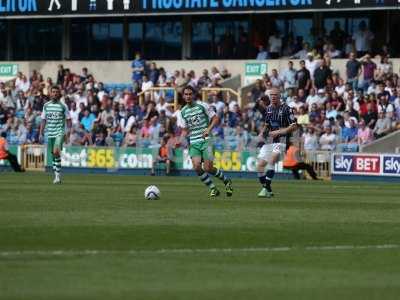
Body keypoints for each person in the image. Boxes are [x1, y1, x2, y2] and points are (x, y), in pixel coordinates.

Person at [178, 85, 233, 197]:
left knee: (208, 168)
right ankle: (213, 188)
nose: (188, 96)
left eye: (190, 94)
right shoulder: (183, 112)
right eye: (186, 94)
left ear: (193, 95)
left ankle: (226, 181)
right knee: (197, 167)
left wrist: (208, 129)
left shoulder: (202, 105)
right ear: (183, 96)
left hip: (206, 140)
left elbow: (215, 118)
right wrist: (180, 139)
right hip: (194, 142)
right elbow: (184, 130)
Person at [257, 88, 297, 198]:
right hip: (269, 140)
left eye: (275, 95)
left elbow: (294, 126)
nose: (273, 96)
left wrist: (279, 132)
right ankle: (268, 189)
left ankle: (265, 189)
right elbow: (267, 125)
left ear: (280, 96)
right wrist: (261, 133)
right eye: (271, 95)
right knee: (259, 166)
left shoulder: (287, 109)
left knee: (272, 160)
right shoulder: (269, 109)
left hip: (282, 140)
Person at [39, 86, 72, 184]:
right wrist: (40, 133)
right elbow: (43, 120)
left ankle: (57, 176)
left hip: (60, 132)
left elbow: (69, 120)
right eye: (53, 92)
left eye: (56, 92)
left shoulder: (63, 106)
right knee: (54, 155)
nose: (54, 94)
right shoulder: (46, 106)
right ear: (50, 93)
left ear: (59, 94)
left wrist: (68, 133)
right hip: (50, 133)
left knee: (56, 151)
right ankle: (56, 174)